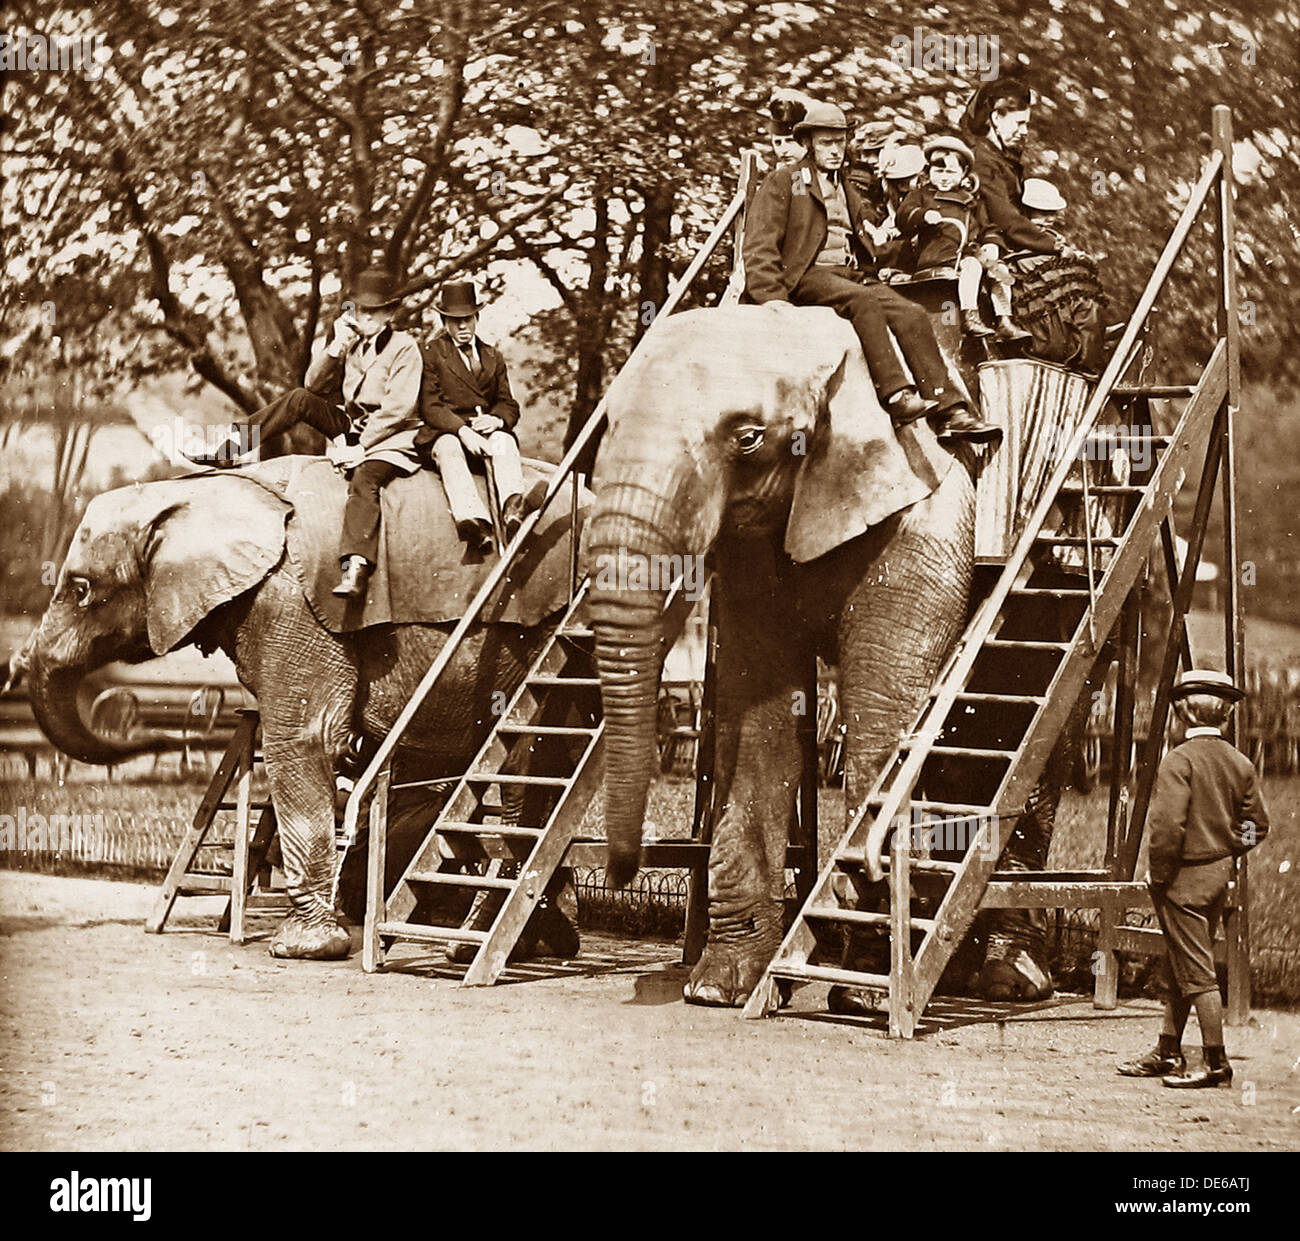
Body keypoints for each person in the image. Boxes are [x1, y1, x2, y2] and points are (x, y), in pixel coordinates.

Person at [742, 100, 998, 444]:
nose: (835, 150)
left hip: (850, 274)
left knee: (911, 313)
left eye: (840, 141)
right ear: (807, 143)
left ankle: (949, 411)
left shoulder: (847, 185)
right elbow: (759, 244)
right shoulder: (785, 181)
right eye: (826, 142)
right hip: (807, 274)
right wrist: (771, 298)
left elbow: (872, 242)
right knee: (863, 301)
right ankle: (896, 395)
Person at [183, 266, 424, 600]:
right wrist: (336, 347)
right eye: (361, 310)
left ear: (390, 313)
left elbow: (398, 410)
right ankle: (230, 448)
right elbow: (312, 385)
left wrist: (361, 447)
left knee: (365, 478)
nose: (365, 317)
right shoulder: (353, 344)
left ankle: (355, 565)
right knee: (298, 400)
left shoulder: (405, 347)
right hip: (353, 426)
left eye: (374, 311)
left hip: (389, 435)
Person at [1117, 670, 1270, 1088]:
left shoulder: (1178, 760)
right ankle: (1168, 1049)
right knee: (1180, 962)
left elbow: (1167, 829)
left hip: (1181, 881)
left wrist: (1159, 875)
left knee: (1197, 971)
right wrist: (1226, 848)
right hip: (1217, 877)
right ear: (1225, 714)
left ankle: (1215, 1062)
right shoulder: (1240, 763)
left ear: (1183, 710)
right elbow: (1258, 824)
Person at [415, 281, 526, 554]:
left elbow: (507, 402)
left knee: (504, 441)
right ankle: (473, 520)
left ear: (477, 318)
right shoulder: (431, 354)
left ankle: (513, 508)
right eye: (454, 321)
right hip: (448, 432)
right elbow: (430, 406)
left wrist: (496, 420)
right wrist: (462, 431)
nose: (462, 327)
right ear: (444, 321)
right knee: (449, 449)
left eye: (467, 319)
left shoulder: (492, 355)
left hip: (485, 431)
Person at [896, 135, 1027, 342]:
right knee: (972, 267)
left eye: (951, 171)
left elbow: (987, 227)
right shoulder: (922, 196)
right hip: (939, 254)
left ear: (964, 173)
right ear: (929, 172)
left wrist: (992, 243)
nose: (944, 177)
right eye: (938, 171)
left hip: (969, 253)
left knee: (1001, 272)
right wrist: (923, 215)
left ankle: (1005, 320)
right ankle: (970, 316)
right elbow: (903, 217)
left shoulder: (971, 201)